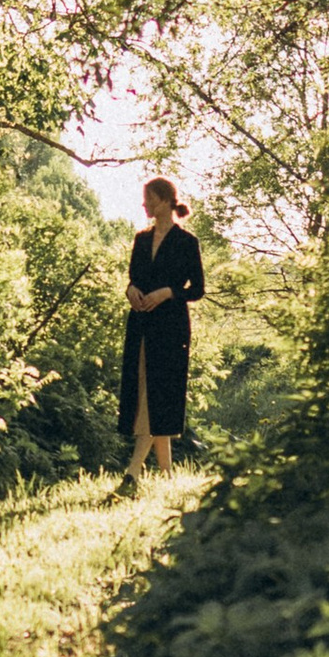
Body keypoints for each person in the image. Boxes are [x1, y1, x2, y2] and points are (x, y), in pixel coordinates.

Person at [118, 176, 204, 485]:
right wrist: (131, 291)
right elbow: (133, 279)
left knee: (159, 396)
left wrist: (167, 292)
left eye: (149, 199)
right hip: (141, 324)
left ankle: (132, 472)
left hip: (171, 328)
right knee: (145, 393)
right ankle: (167, 476)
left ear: (165, 200)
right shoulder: (141, 239)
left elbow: (198, 290)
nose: (144, 205)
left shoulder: (187, 242)